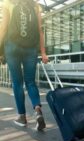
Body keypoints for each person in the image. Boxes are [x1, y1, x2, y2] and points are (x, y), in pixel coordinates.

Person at [0, 0, 49, 130]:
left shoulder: (7, 3)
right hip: (30, 49)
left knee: (17, 82)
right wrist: (43, 53)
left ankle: (22, 117)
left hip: (12, 47)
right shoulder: (35, 6)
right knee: (30, 82)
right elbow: (40, 30)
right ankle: (38, 110)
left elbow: (3, 28)